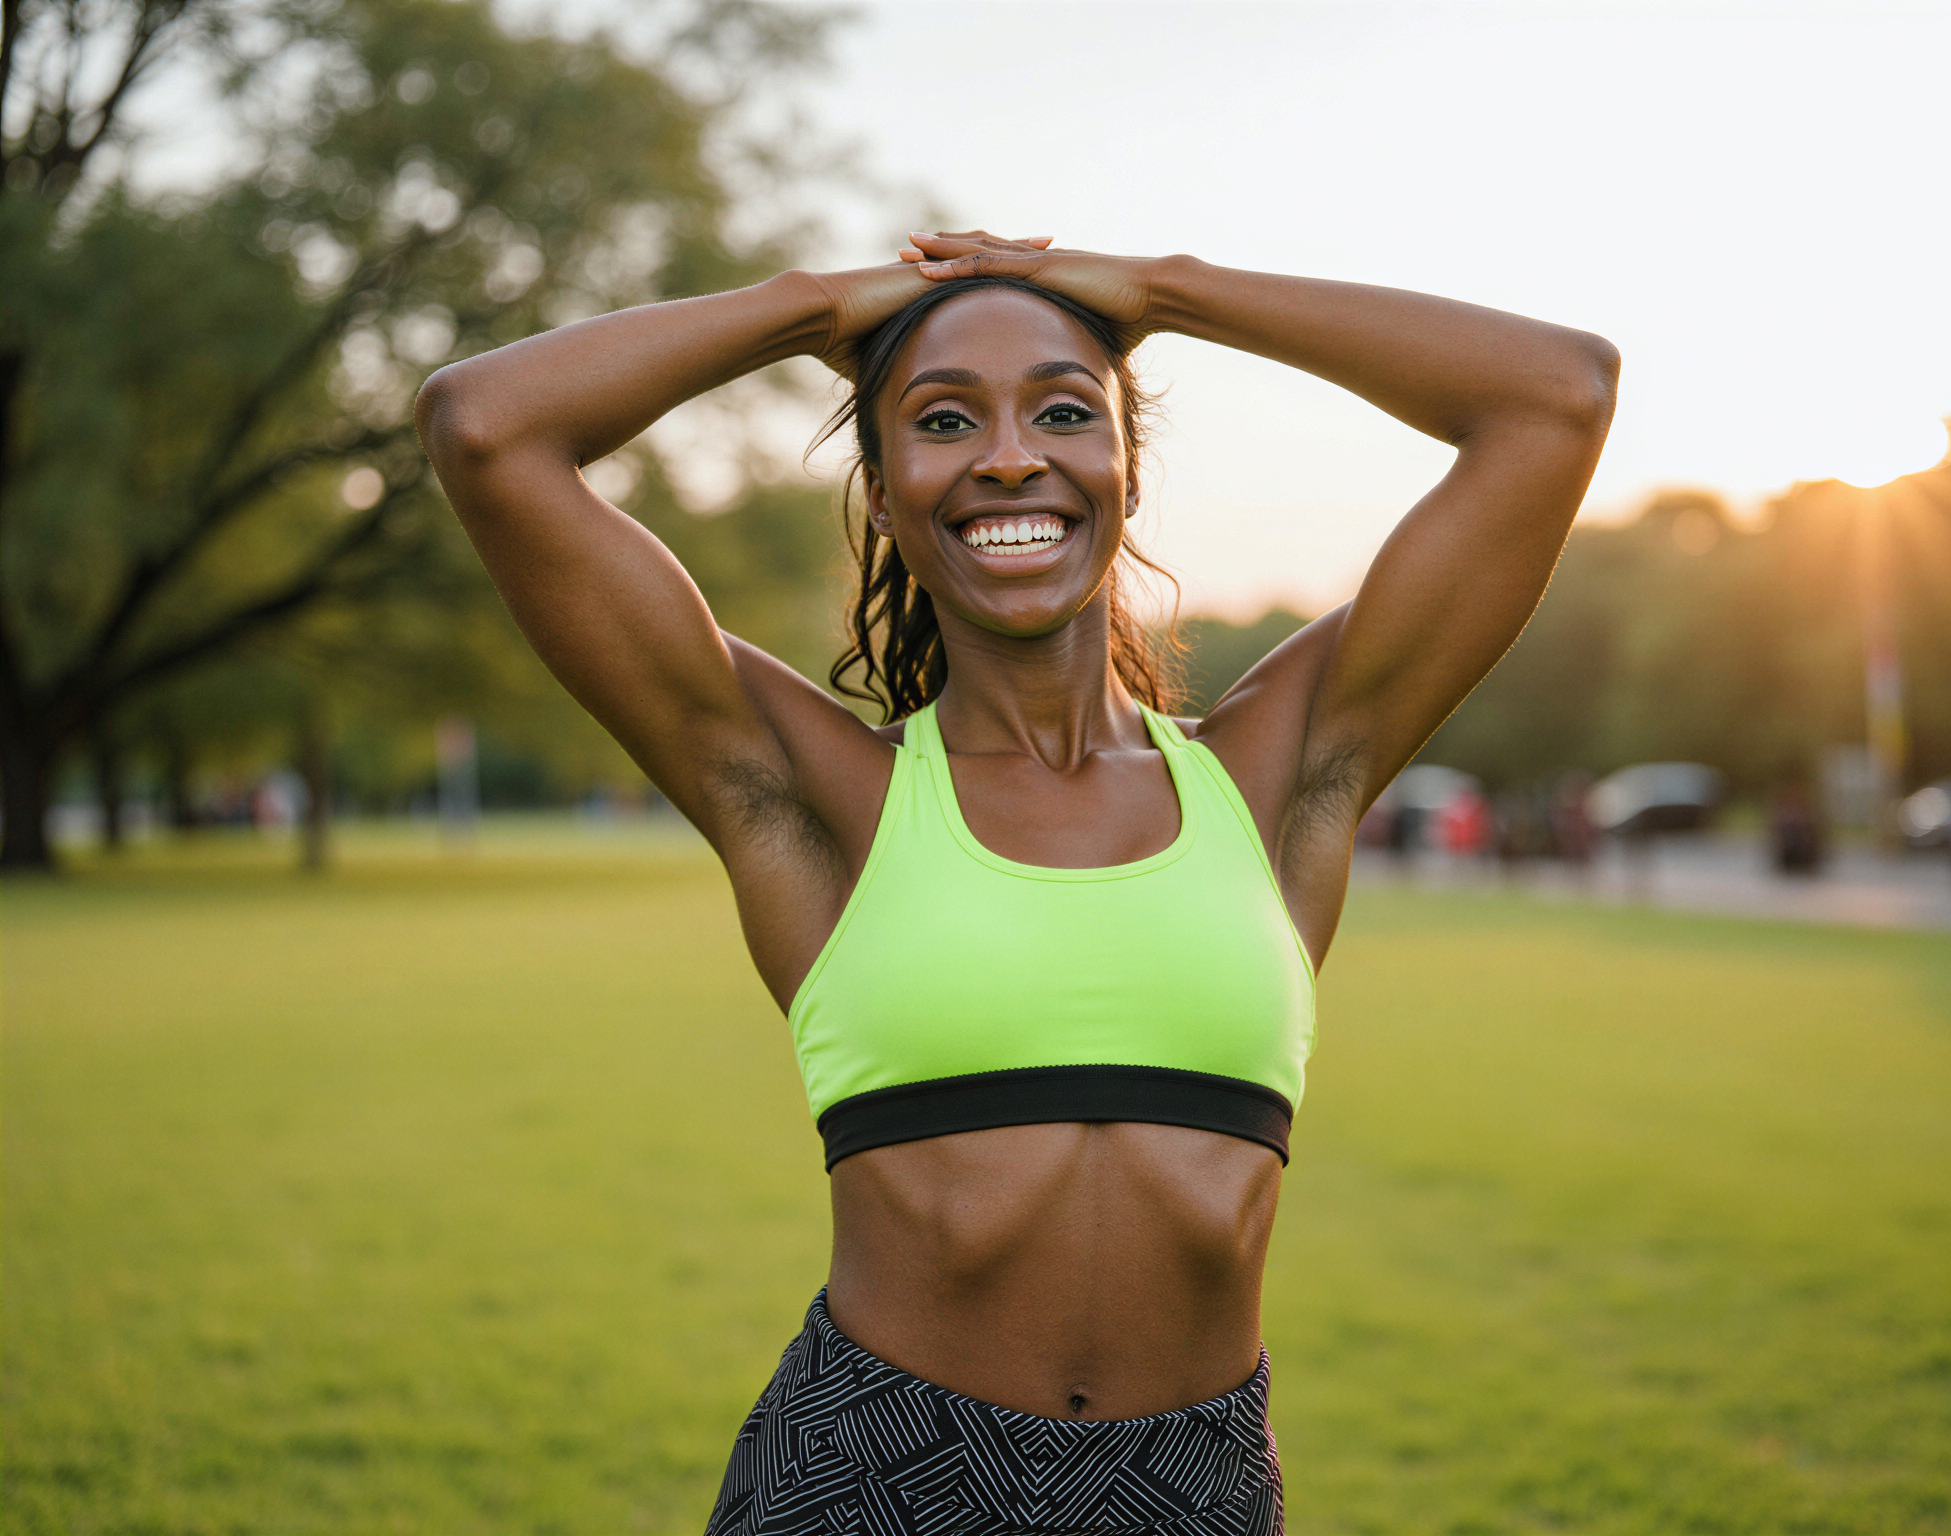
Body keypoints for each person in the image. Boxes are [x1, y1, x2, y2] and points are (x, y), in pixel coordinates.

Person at [415, 231, 1617, 1535]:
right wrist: (818, 308)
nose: (1007, 456)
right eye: (942, 421)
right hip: (869, 1476)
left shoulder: (1280, 777)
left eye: (1062, 410)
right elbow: (487, 426)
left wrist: (1164, 292)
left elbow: (1555, 396)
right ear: (881, 492)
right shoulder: (815, 798)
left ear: (1127, 468)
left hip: (1193, 1492)